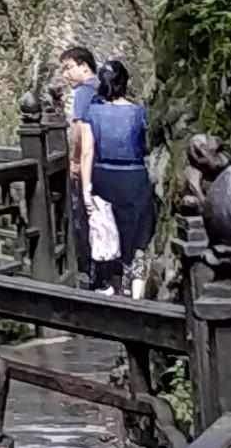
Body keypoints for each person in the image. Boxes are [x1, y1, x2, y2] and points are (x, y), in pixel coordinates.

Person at [77, 58, 158, 293]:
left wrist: (86, 190)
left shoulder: (91, 112)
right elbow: (145, 146)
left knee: (108, 235)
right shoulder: (138, 112)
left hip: (103, 176)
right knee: (137, 240)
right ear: (125, 83)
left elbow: (87, 152)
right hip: (134, 177)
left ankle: (113, 287)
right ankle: (137, 295)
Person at [57, 40, 99, 277]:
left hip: (89, 163)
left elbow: (79, 134)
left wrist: (74, 161)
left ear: (84, 66)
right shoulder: (103, 87)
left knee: (86, 215)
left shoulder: (84, 91)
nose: (66, 74)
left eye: (68, 67)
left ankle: (89, 269)